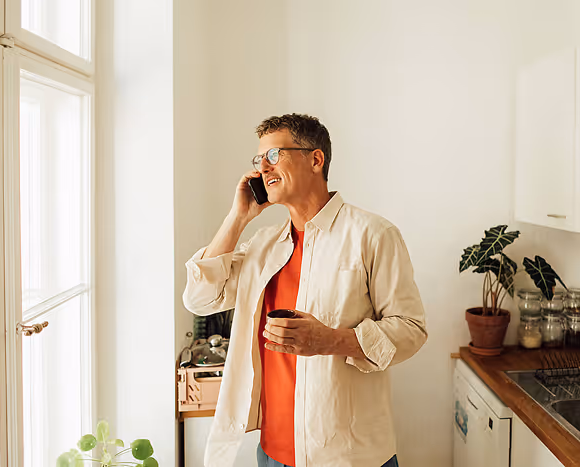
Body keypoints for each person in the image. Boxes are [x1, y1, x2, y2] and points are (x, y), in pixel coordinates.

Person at [183, 114, 427, 467]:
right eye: (259, 160)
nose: (263, 169)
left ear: (315, 159)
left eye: (273, 155)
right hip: (271, 453)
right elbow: (200, 297)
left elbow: (411, 330)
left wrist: (330, 340)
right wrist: (238, 217)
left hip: (348, 457)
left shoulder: (373, 234)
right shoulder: (263, 245)